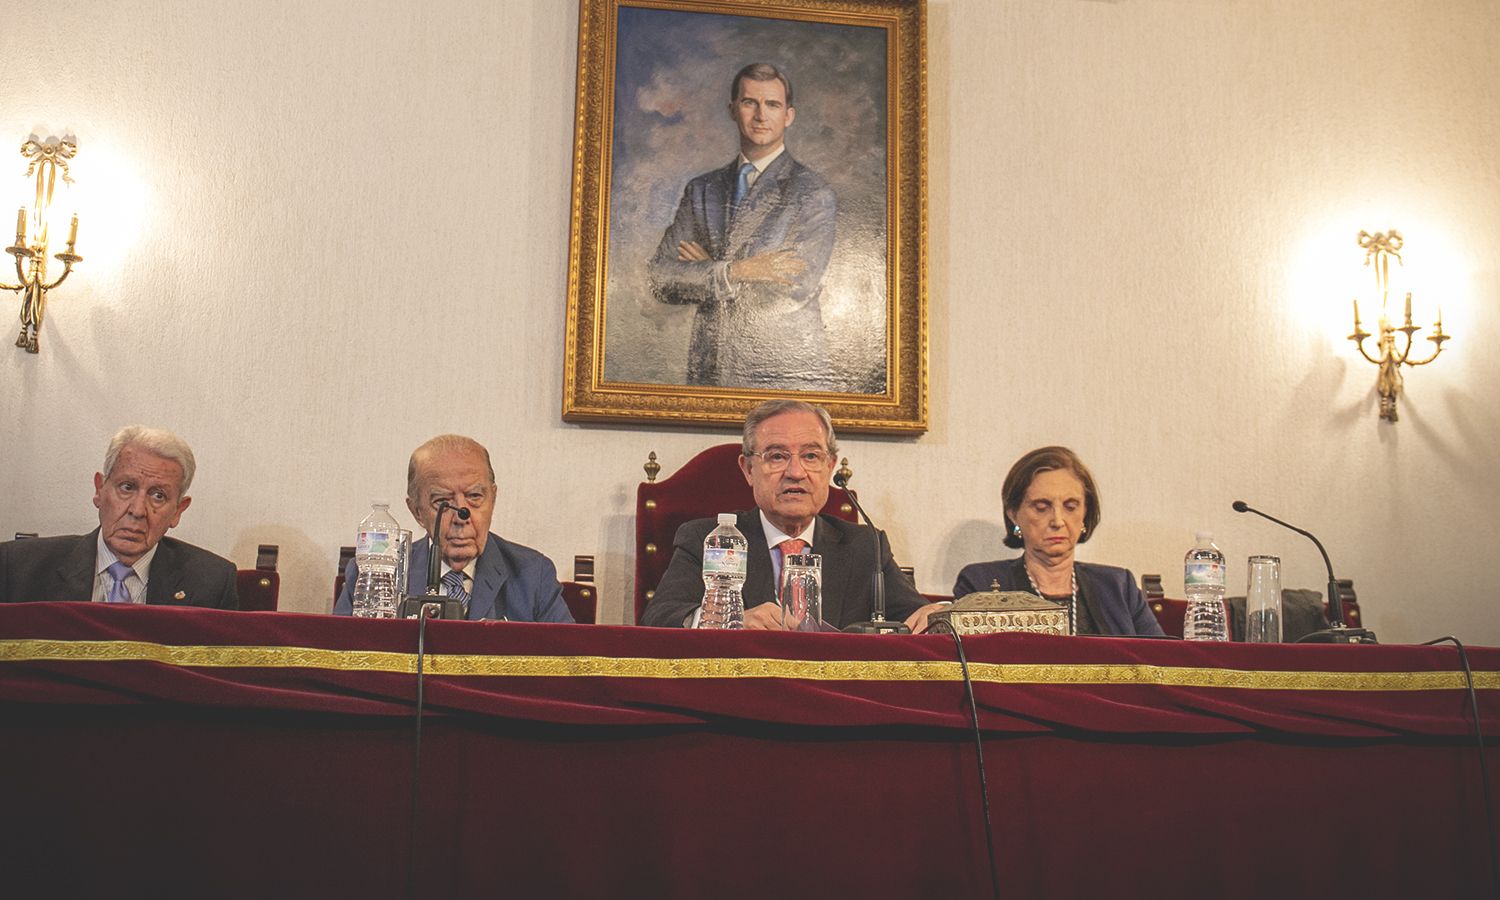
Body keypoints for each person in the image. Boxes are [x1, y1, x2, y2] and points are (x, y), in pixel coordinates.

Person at [641, 400, 945, 631]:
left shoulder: (866, 546)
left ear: (830, 466)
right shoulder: (709, 539)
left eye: (811, 456)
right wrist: (730, 620)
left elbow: (918, 616)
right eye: (776, 456)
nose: (796, 473)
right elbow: (658, 618)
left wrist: (938, 616)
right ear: (748, 469)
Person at [648, 62, 837, 389]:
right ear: (732, 110)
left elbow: (795, 286)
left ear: (788, 116)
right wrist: (737, 271)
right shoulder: (702, 190)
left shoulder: (813, 192)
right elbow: (662, 278)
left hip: (780, 378)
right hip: (710, 373)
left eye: (773, 104)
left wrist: (706, 269)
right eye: (750, 102)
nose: (761, 115)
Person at [333, 434, 572, 622]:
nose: (461, 515)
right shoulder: (378, 574)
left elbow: (568, 667)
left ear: (493, 499)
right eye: (442, 502)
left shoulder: (533, 574)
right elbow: (342, 662)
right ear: (416, 510)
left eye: (475, 496)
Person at [0, 425, 238, 609]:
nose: (137, 510)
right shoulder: (19, 568)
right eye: (127, 487)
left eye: (158, 495)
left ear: (178, 511)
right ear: (99, 490)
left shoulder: (212, 583)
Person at [953, 446, 1163, 636]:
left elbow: (1162, 662)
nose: (1058, 521)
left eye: (1070, 506)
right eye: (1041, 507)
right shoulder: (980, 584)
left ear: (1085, 513)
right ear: (1014, 514)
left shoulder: (1117, 586)